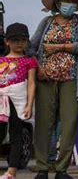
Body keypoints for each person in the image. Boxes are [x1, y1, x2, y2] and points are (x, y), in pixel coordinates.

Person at [30, 0, 78, 179]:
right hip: (45, 79)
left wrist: (62, 47)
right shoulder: (45, 23)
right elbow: (31, 47)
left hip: (72, 80)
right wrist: (38, 67)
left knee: (69, 123)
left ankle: (61, 169)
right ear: (57, 2)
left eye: (73, 0)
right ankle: (42, 166)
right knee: (43, 123)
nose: (70, 3)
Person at [0, 23, 37, 179]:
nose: (19, 43)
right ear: (7, 42)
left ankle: (11, 172)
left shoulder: (30, 61)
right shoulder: (1, 60)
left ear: (27, 41)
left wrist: (29, 104)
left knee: (16, 135)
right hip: (1, 101)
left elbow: (31, 83)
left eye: (23, 39)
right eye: (15, 40)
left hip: (18, 101)